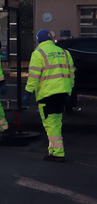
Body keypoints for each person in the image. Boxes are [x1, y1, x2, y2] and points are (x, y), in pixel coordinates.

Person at [24, 29, 75, 163]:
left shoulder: (38, 53)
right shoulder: (65, 52)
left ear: (39, 40)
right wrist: (69, 91)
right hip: (62, 93)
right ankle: (53, 151)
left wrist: (27, 92)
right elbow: (71, 74)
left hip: (47, 94)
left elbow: (34, 76)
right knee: (57, 123)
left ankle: (58, 153)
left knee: (50, 124)